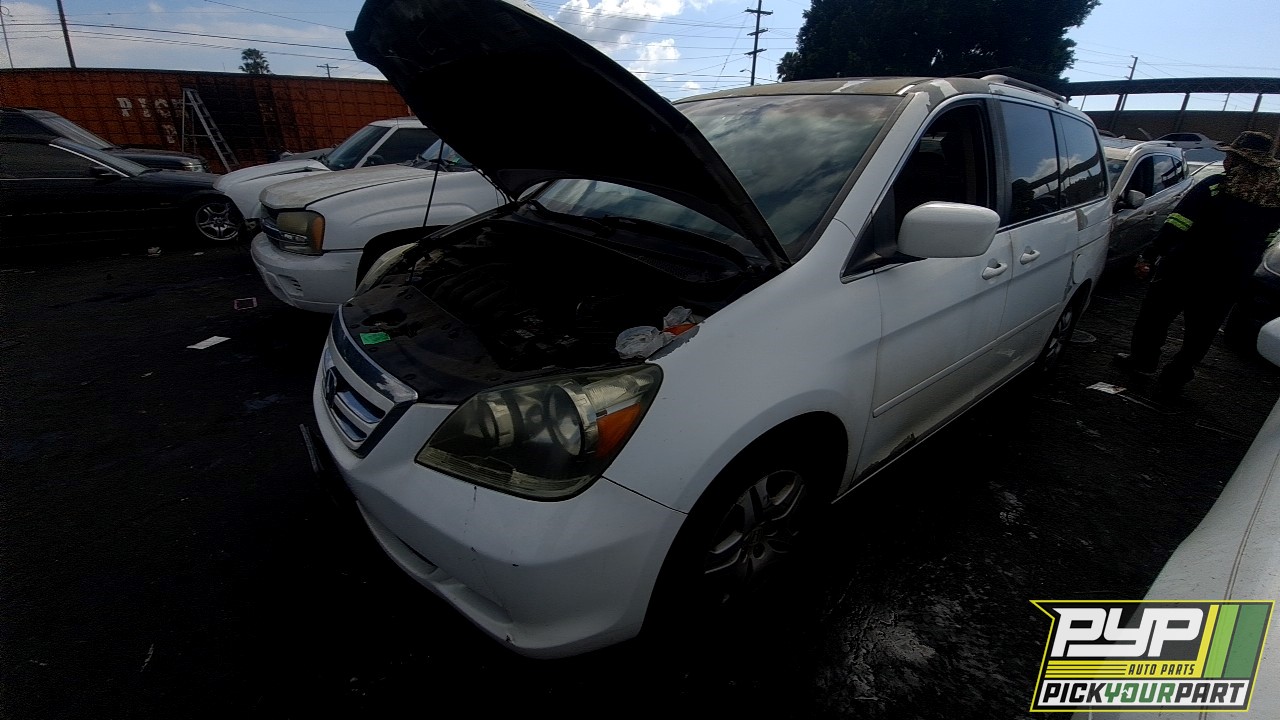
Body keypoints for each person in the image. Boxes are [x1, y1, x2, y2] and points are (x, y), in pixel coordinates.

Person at [1114, 130, 1280, 391]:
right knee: (1203, 329)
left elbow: (1178, 223)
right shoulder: (1273, 200)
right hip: (1231, 276)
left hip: (1186, 267)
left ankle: (1143, 361)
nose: (1226, 161)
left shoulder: (1215, 186)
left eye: (1231, 157)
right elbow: (1269, 238)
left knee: (1155, 316)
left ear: (1237, 161)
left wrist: (1150, 254)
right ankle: (1177, 374)